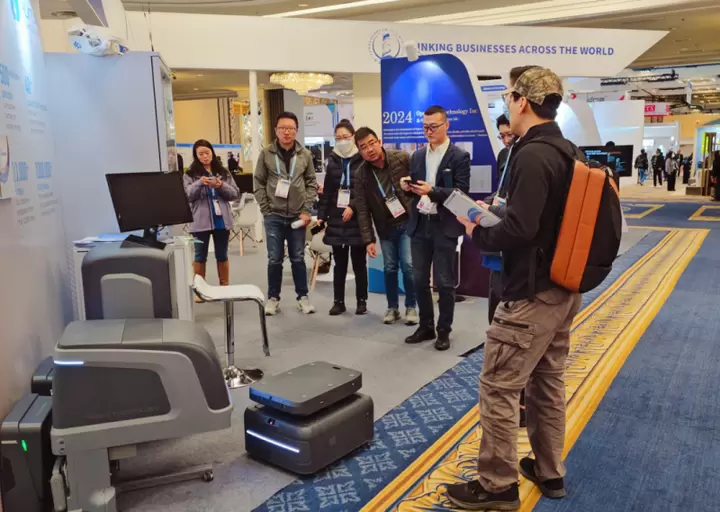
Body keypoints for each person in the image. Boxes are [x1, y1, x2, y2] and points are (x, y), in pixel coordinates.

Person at [445, 66, 583, 511]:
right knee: (547, 382)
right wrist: (498, 212)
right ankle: (549, 469)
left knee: (499, 386)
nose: (507, 103)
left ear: (523, 101)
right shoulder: (567, 150)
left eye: (509, 97)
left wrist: (478, 230)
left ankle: (497, 484)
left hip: (529, 293)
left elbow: (521, 230)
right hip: (563, 288)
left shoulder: (531, 154)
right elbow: (543, 220)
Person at [401, 106, 470, 351]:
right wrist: (408, 187)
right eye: (425, 127)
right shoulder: (417, 156)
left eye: (433, 126)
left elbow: (461, 192)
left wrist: (433, 191)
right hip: (420, 223)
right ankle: (426, 326)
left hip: (445, 226)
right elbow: (416, 189)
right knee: (418, 279)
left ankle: (444, 330)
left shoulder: (459, 156)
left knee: (444, 282)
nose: (429, 131)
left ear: (446, 125)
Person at [254, 112, 318, 315]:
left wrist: (306, 210)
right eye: (282, 128)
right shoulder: (266, 153)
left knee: (298, 258)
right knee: (274, 259)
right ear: (276, 130)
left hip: (298, 216)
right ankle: (273, 298)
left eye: (290, 128)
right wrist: (265, 209)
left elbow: (311, 183)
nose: (286, 132)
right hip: (273, 215)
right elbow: (258, 182)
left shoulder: (304, 154)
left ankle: (303, 298)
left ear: (296, 130)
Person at [353, 127, 418, 326]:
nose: (369, 149)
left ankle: (411, 306)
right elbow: (362, 209)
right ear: (359, 151)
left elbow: (418, 184)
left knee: (408, 265)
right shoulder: (361, 173)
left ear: (379, 141)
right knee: (389, 267)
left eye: (372, 143)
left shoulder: (401, 158)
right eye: (363, 147)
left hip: (406, 222)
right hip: (385, 227)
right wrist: (368, 240)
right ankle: (392, 307)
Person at [317, 120, 368, 315]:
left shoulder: (362, 159)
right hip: (337, 218)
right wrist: (322, 216)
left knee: (359, 263)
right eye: (338, 138)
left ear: (353, 137)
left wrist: (353, 206)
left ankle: (361, 300)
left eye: (346, 137)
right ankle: (338, 301)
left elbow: (366, 190)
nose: (342, 141)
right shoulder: (332, 161)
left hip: (357, 218)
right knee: (339, 264)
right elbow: (328, 192)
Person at [183, 139, 240, 291]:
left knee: (222, 254)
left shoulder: (223, 172)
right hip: (199, 221)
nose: (205, 156)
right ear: (196, 155)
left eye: (207, 153)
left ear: (212, 153)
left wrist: (220, 185)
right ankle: (200, 289)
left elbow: (235, 193)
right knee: (200, 256)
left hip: (222, 220)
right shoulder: (190, 174)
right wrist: (200, 183)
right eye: (200, 154)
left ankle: (224, 286)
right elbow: (187, 196)